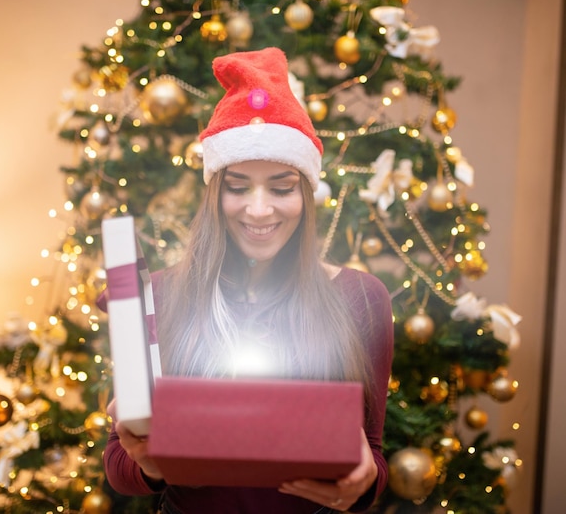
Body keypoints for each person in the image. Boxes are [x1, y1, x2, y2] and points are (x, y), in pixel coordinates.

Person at [103, 47, 394, 514]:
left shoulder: (360, 297)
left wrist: (363, 484)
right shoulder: (158, 294)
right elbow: (118, 462)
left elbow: (373, 453)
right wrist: (149, 463)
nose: (259, 210)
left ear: (306, 193)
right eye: (238, 187)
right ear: (215, 193)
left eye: (282, 188)